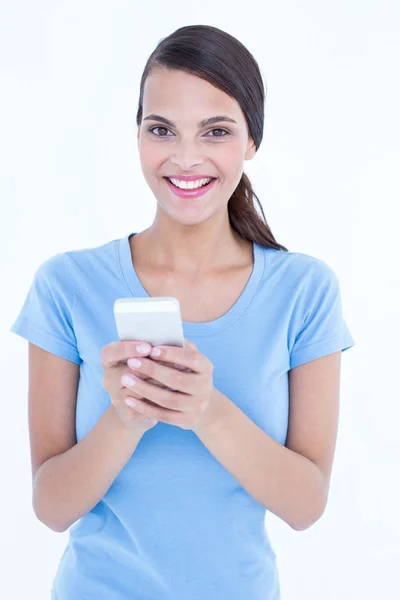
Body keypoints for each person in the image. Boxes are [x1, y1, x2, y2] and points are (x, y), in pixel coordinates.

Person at [10, 24, 355, 600]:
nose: (185, 157)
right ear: (138, 137)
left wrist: (207, 412)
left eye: (216, 131)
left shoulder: (304, 290)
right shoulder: (67, 285)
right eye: (161, 129)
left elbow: (306, 506)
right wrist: (125, 416)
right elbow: (50, 507)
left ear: (251, 141)